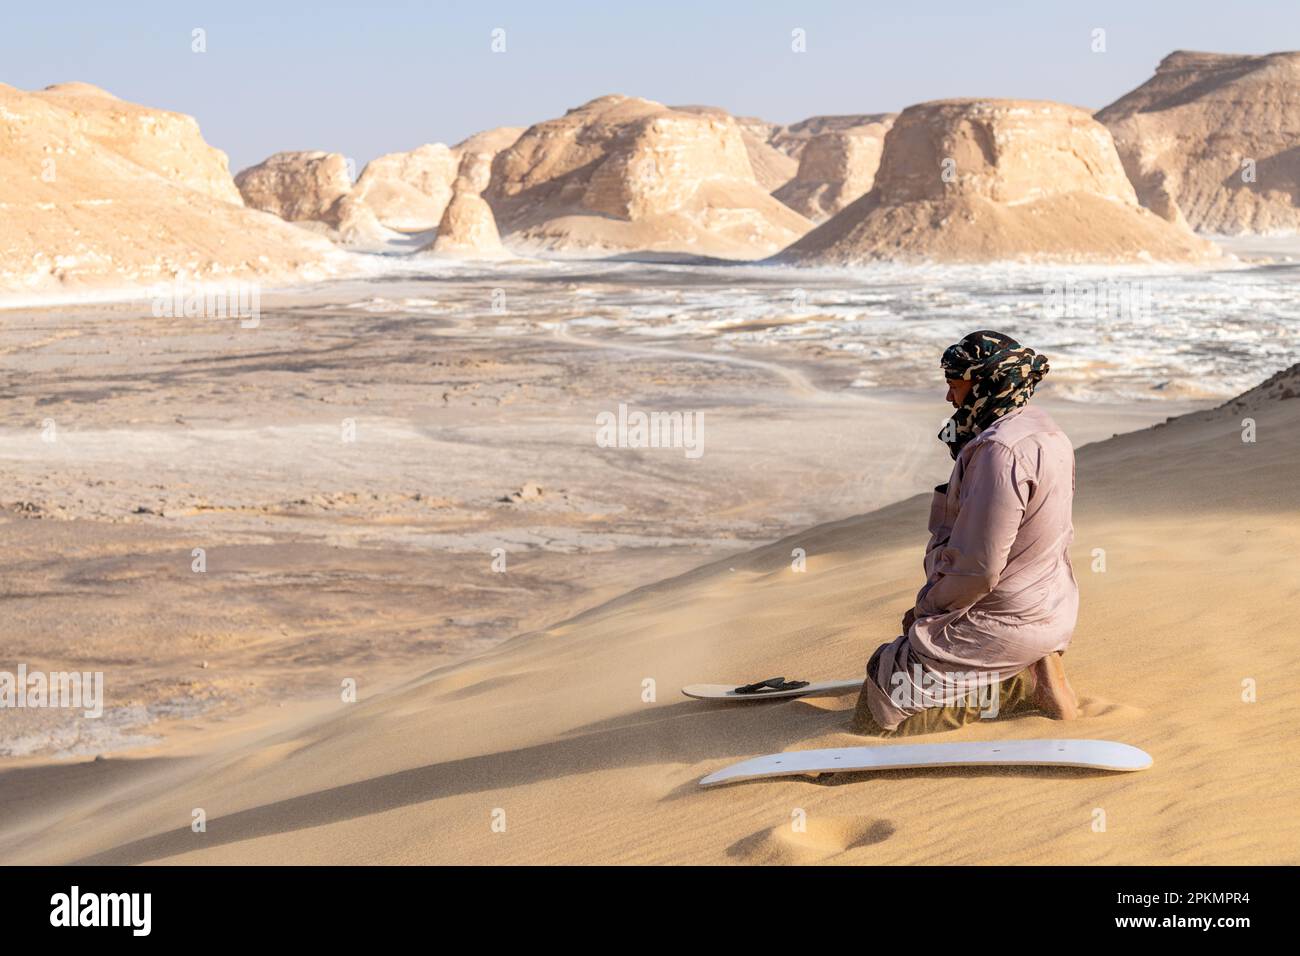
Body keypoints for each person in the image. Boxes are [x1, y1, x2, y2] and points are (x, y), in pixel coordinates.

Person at [851, 330, 1081, 736]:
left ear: (985, 385)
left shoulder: (999, 452)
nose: (949, 398)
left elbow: (979, 568)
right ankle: (1032, 662)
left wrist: (929, 610)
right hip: (1049, 607)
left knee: (878, 701)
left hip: (1004, 621)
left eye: (955, 385)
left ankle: (1017, 685)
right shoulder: (1048, 432)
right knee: (902, 659)